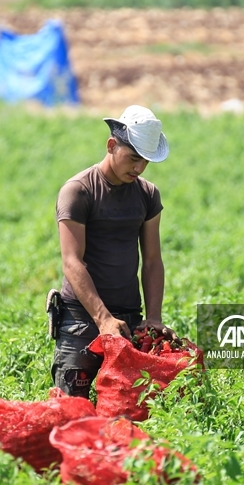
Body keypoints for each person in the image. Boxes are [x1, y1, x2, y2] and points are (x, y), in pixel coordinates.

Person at [50, 105, 173, 398]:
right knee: (70, 409)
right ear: (111, 145)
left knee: (129, 412)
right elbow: (71, 261)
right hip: (80, 320)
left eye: (145, 161)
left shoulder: (147, 194)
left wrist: (153, 318)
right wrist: (103, 319)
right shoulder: (79, 191)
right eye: (133, 158)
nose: (139, 168)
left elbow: (153, 261)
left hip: (129, 320)